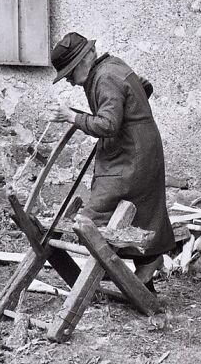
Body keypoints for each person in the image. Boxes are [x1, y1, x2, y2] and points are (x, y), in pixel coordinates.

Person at [48, 32, 175, 293]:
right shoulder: (112, 66)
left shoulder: (105, 77)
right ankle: (145, 272)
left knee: (95, 215)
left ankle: (137, 266)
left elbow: (107, 123)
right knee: (137, 212)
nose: (71, 82)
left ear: (87, 59)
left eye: (71, 73)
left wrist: (73, 117)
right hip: (133, 146)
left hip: (133, 154)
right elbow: (143, 86)